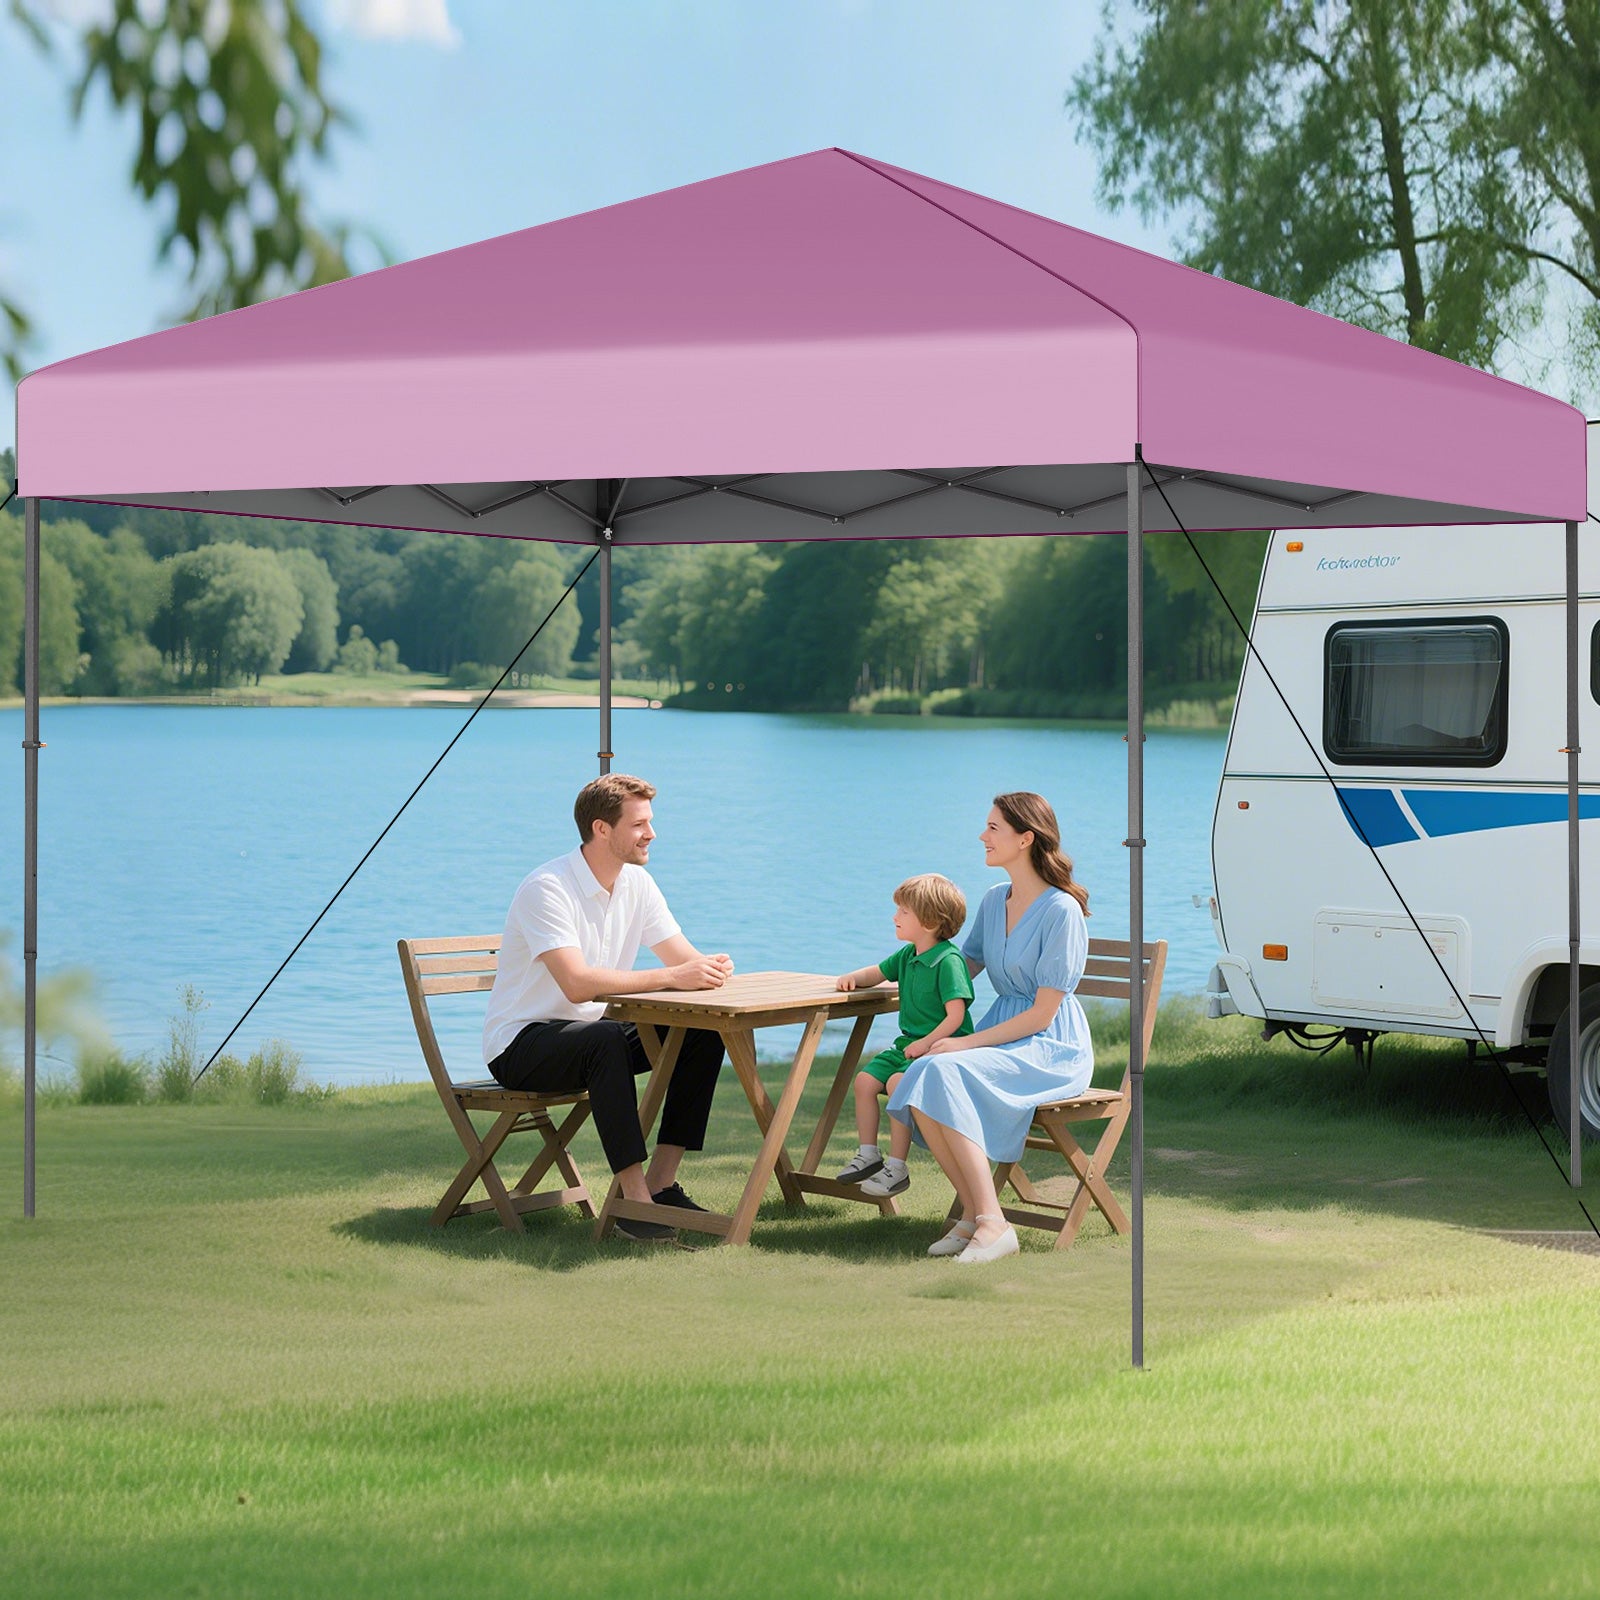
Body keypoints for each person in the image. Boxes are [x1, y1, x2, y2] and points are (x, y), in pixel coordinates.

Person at [482, 773, 734, 1243]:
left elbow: (682, 958)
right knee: (603, 1039)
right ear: (602, 829)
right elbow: (577, 985)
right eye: (640, 824)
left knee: (701, 1029)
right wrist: (670, 978)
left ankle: (660, 1185)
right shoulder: (547, 888)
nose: (652, 834)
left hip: (592, 1037)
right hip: (522, 1045)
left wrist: (711, 968)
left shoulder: (637, 883)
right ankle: (632, 1204)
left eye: (651, 822)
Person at [887, 792, 1093, 1264]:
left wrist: (959, 1043)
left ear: (1025, 838)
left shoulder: (1061, 911)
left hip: (1049, 1047)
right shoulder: (993, 899)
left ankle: (991, 1224)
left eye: (993, 828)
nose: (982, 836)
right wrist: (906, 981)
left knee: (940, 1070)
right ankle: (980, 1217)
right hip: (1004, 1034)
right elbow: (962, 966)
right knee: (908, 1076)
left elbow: (1042, 1015)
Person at [832, 874, 975, 1199]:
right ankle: (869, 1153)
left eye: (903, 912)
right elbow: (878, 973)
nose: (895, 917)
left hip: (941, 1051)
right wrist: (851, 978)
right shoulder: (908, 955)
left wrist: (926, 1043)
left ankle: (897, 1166)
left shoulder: (948, 961)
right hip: (907, 1047)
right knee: (865, 1082)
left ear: (929, 921)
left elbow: (956, 1017)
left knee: (898, 1085)